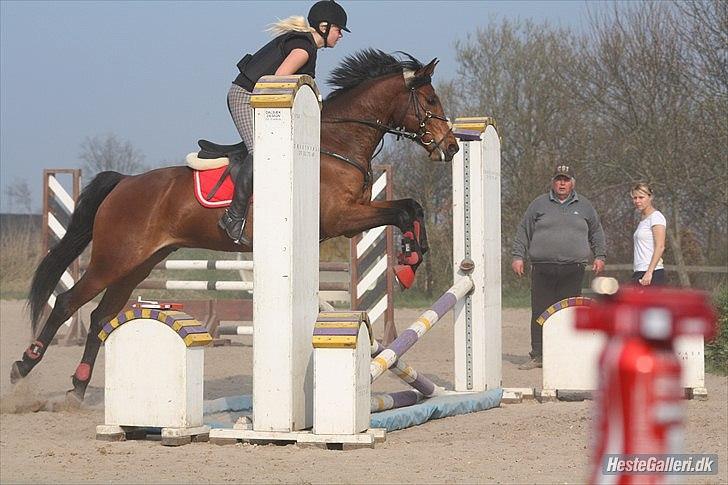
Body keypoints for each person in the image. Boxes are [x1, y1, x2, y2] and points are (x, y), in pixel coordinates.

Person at [219, 0, 349, 244]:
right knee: (261, 152)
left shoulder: (307, 46)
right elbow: (278, 80)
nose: (341, 34)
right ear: (324, 27)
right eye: (338, 29)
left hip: (259, 97)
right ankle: (233, 217)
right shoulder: (304, 49)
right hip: (245, 97)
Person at [511, 164, 606, 370]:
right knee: (540, 311)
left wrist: (600, 255)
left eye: (566, 179)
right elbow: (523, 230)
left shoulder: (585, 206)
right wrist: (518, 256)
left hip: (573, 269)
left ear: (572, 183)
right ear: (553, 182)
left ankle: (566, 353)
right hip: (543, 268)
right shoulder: (539, 204)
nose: (562, 183)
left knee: (568, 313)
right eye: (558, 179)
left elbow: (596, 232)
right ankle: (538, 354)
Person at [630, 182, 667, 286]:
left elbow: (660, 246)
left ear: (650, 197)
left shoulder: (656, 217)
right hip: (639, 271)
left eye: (641, 197)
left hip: (651, 273)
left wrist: (649, 272)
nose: (637, 201)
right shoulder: (643, 220)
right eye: (635, 198)